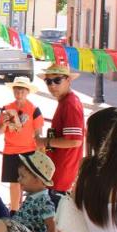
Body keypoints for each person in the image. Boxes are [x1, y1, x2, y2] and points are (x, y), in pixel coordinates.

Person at [35, 64, 85, 194]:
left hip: (63, 176)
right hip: (59, 173)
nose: (52, 85)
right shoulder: (66, 102)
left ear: (68, 80)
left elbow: (75, 141)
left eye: (57, 80)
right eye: (48, 81)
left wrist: (44, 142)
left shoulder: (70, 104)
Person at [0, 77, 44, 210]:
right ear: (13, 91)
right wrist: (5, 124)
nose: (19, 93)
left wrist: (41, 151)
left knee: (28, 183)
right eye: (17, 90)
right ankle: (14, 210)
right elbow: (0, 131)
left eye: (22, 91)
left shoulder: (34, 109)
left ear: (27, 92)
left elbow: (38, 133)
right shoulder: (6, 108)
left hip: (28, 150)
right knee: (14, 183)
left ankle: (28, 210)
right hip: (10, 150)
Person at [9, 151, 58, 232]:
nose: (18, 179)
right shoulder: (32, 195)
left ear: (37, 179)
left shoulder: (44, 201)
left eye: (22, 176)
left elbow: (52, 226)